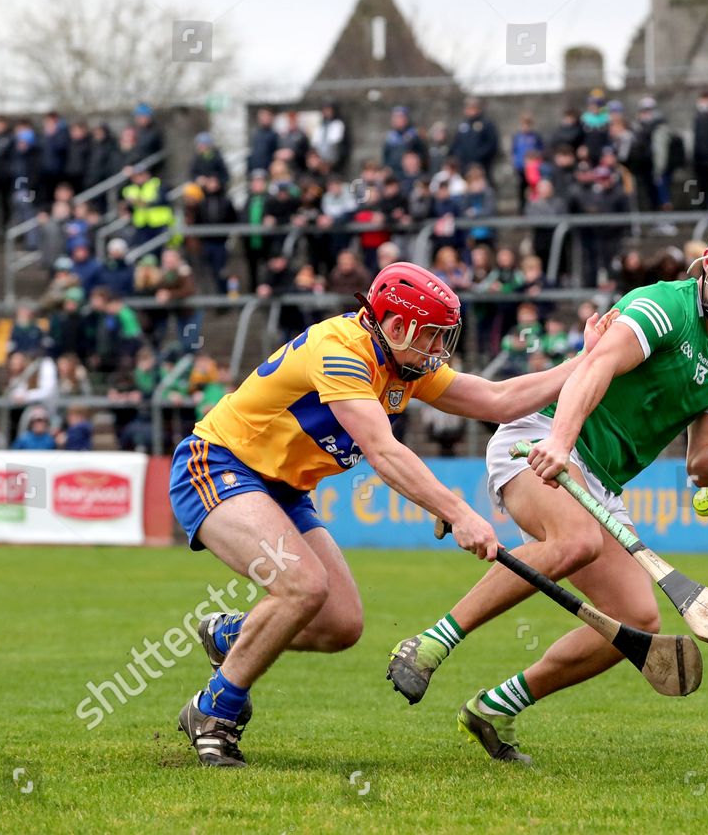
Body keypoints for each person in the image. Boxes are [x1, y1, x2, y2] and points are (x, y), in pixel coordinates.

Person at [385, 213, 708, 764]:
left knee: (638, 622)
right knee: (577, 541)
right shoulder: (662, 305)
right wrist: (561, 443)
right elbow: (597, 366)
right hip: (539, 435)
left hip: (599, 482)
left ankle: (495, 707)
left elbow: (703, 467)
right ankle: (429, 644)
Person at [167, 262, 620, 767]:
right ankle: (213, 711)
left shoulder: (403, 363)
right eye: (431, 337)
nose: (438, 351)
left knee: (341, 625)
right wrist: (458, 511)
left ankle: (231, 633)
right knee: (303, 587)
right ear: (396, 324)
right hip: (218, 465)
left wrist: (584, 360)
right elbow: (383, 452)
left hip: (285, 490)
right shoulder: (341, 350)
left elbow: (498, 399)